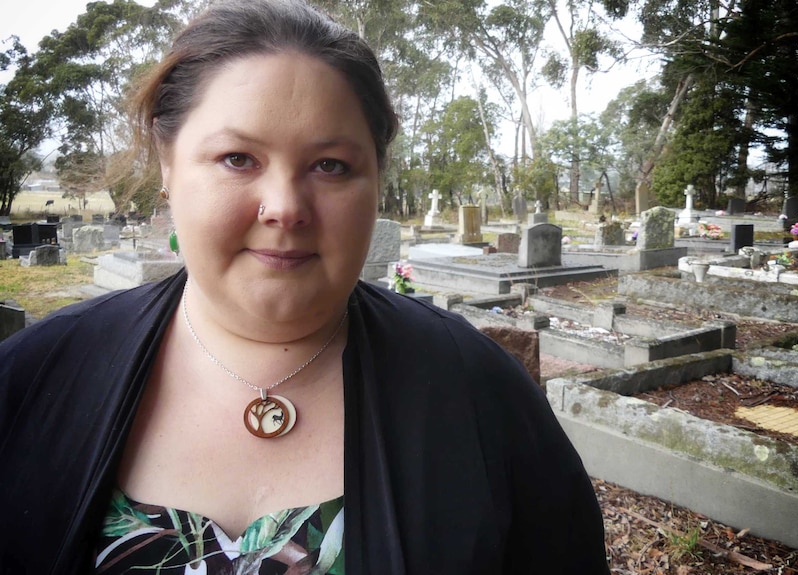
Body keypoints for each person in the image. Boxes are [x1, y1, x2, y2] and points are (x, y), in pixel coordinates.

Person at [0, 1, 610, 573]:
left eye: (331, 166)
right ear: (168, 165)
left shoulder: (481, 394)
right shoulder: (30, 382)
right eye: (238, 158)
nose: (285, 208)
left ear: (376, 181)